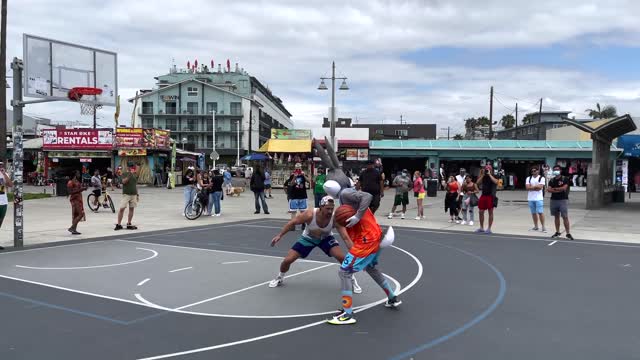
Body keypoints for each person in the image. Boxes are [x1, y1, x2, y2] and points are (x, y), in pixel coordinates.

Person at [323, 180, 401, 325]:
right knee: (371, 268)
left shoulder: (346, 194)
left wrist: (357, 216)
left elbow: (368, 196)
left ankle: (347, 314)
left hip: (367, 240)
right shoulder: (347, 198)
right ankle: (392, 297)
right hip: (375, 235)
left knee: (344, 272)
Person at [268, 195, 361, 294]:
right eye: (327, 208)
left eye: (332, 209)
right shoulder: (309, 214)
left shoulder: (335, 219)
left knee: (342, 258)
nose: (330, 211)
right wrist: (279, 235)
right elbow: (292, 222)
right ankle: (280, 277)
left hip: (326, 238)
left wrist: (355, 253)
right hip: (308, 238)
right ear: (321, 207)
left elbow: (345, 238)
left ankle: (351, 279)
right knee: (287, 260)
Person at [548, 165, 574, 240]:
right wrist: (557, 190)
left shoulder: (565, 178)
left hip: (563, 200)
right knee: (556, 216)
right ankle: (557, 232)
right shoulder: (552, 180)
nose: (556, 171)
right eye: (554, 169)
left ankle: (568, 233)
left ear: (560, 170)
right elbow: (549, 190)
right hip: (553, 200)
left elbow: (564, 188)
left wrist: (554, 189)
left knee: (565, 217)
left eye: (557, 169)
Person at [476, 164, 499, 234]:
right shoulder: (483, 176)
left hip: (491, 196)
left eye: (488, 169)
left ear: (491, 170)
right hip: (483, 195)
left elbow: (497, 182)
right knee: (480, 212)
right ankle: (481, 227)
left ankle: (489, 228)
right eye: (486, 169)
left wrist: (489, 174)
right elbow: (477, 183)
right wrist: (483, 175)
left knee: (490, 212)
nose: (487, 170)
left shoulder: (494, 175)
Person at [115, 162, 139, 230]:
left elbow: (135, 185)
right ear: (127, 167)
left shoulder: (135, 174)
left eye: (132, 166)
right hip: (126, 194)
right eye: (130, 166)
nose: (132, 167)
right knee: (122, 208)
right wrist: (129, 175)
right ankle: (119, 224)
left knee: (132, 209)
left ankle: (129, 223)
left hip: (133, 194)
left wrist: (137, 194)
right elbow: (123, 182)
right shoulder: (124, 174)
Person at [526, 166, 547, 233]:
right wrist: (535, 187)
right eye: (532, 171)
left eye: (535, 171)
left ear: (538, 171)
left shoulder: (541, 178)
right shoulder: (528, 178)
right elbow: (527, 187)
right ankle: (536, 226)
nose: (533, 172)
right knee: (533, 213)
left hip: (538, 198)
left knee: (540, 212)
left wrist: (531, 187)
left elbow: (540, 187)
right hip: (530, 198)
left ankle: (543, 227)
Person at [287, 163, 308, 229]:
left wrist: (304, 175)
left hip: (302, 195)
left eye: (299, 169)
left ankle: (303, 223)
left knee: (303, 211)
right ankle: (293, 225)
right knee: (293, 211)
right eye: (297, 169)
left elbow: (308, 181)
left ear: (301, 168)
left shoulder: (303, 174)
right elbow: (291, 184)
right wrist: (294, 177)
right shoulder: (292, 175)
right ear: (295, 169)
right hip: (294, 196)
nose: (298, 170)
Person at [66, 170, 85, 235]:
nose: (79, 174)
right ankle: (72, 227)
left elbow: (78, 189)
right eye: (78, 173)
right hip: (75, 200)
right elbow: (70, 192)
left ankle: (74, 229)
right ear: (75, 174)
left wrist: (83, 188)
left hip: (78, 199)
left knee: (76, 215)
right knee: (81, 214)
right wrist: (81, 189)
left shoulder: (77, 181)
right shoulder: (70, 182)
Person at [0, 162, 14, 249]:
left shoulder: (4, 174)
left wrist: (4, 174)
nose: (0, 166)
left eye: (1, 165)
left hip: (3, 202)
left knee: (0, 221)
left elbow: (10, 184)